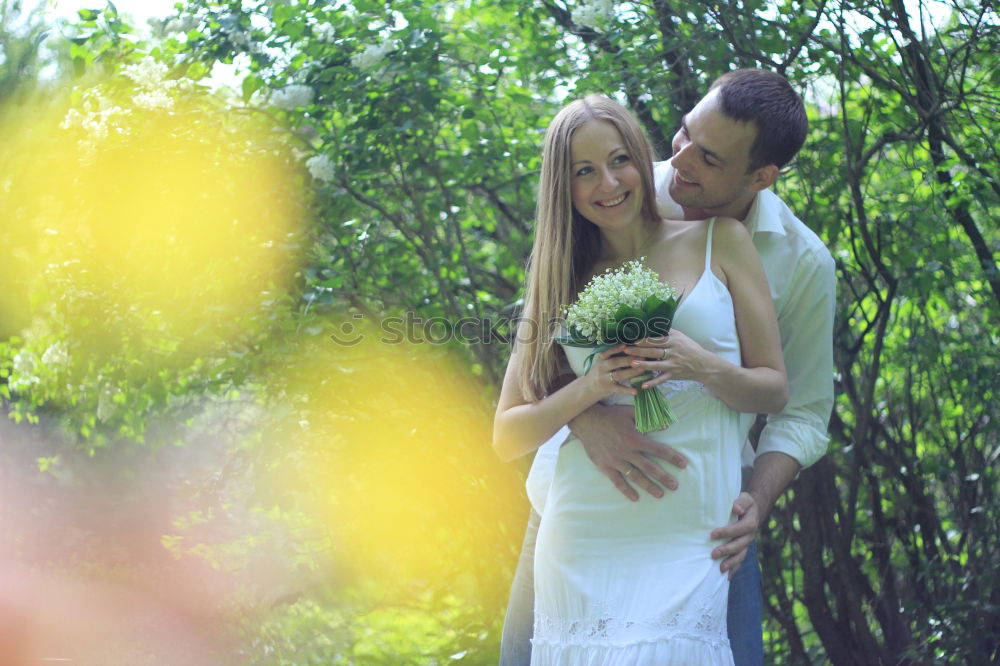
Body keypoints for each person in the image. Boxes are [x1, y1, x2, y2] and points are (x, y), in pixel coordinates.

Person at [499, 70, 836, 666]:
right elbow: (535, 385)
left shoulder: (792, 258)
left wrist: (756, 499)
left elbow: (797, 406)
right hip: (578, 505)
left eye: (706, 156)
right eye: (682, 135)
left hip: (706, 510)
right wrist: (588, 416)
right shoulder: (613, 195)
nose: (677, 162)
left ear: (760, 177)